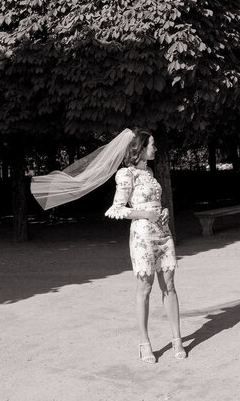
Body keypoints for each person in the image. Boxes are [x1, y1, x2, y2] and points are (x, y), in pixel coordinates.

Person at [105, 127, 186, 363]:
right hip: (142, 237)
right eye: (152, 144)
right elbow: (116, 209)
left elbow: (155, 203)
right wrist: (145, 215)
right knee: (145, 288)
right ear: (140, 148)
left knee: (169, 285)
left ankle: (177, 339)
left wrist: (163, 211)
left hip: (163, 233)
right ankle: (144, 343)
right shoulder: (125, 175)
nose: (155, 148)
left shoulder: (149, 172)